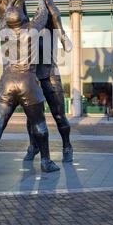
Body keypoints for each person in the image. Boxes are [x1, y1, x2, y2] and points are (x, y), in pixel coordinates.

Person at [0, 0, 60, 176]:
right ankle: (45, 160)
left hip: (6, 81)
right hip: (27, 81)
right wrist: (40, 0)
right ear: (23, 19)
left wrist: (10, 7)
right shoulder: (31, 30)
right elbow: (42, 15)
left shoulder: (3, 32)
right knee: (39, 123)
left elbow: (6, 17)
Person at [24, 14, 73, 163]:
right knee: (31, 118)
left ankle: (67, 146)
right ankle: (33, 146)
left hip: (50, 75)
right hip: (34, 77)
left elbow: (52, 9)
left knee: (59, 115)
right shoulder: (29, 30)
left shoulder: (49, 28)